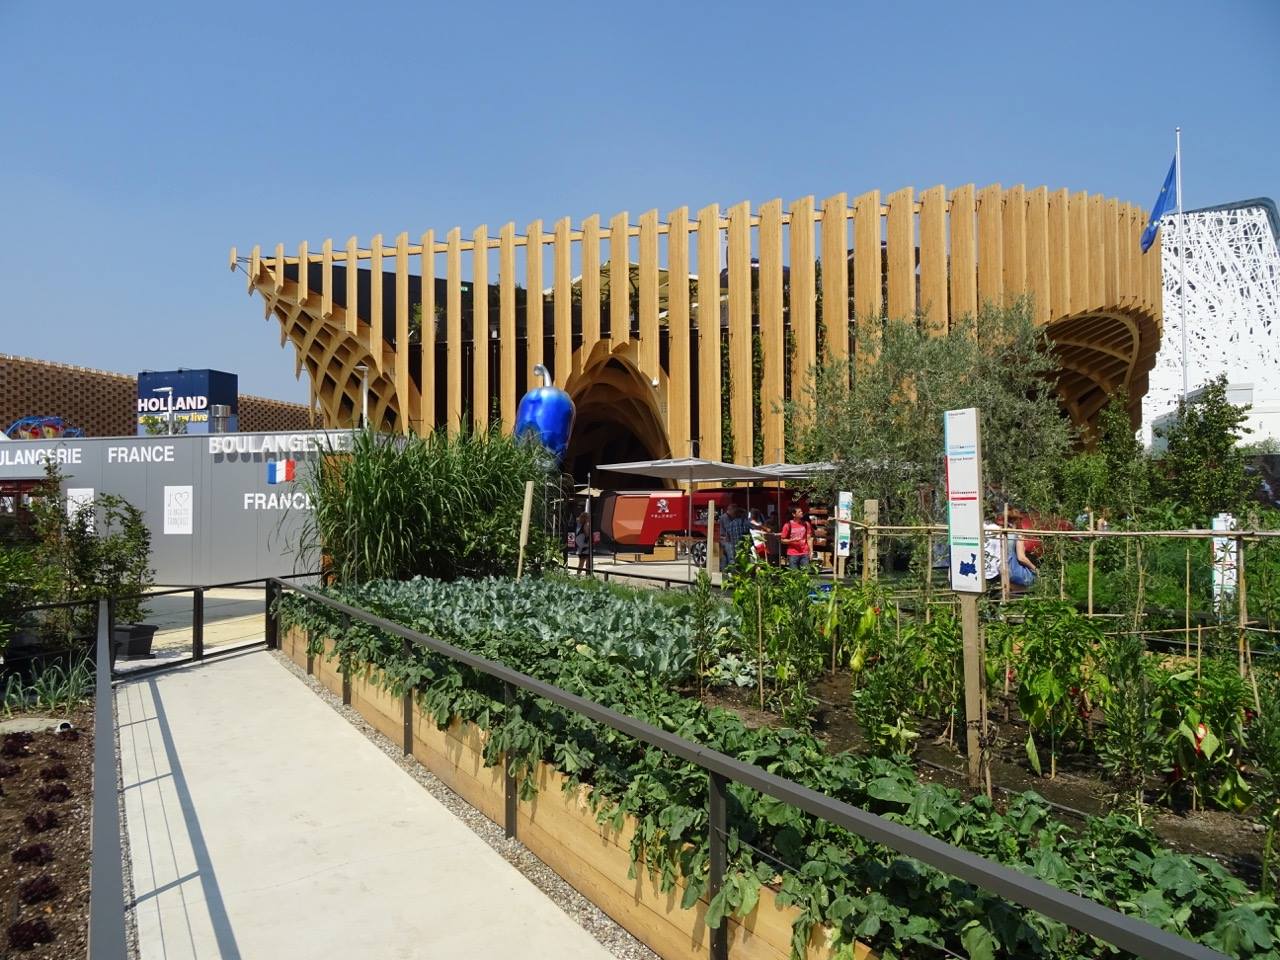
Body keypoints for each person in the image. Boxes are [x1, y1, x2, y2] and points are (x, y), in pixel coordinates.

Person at [719, 505, 752, 570]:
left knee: (728, 559)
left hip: (730, 543)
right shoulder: (726, 517)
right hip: (732, 543)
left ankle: (726, 572)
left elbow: (728, 533)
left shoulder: (731, 523)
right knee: (733, 560)